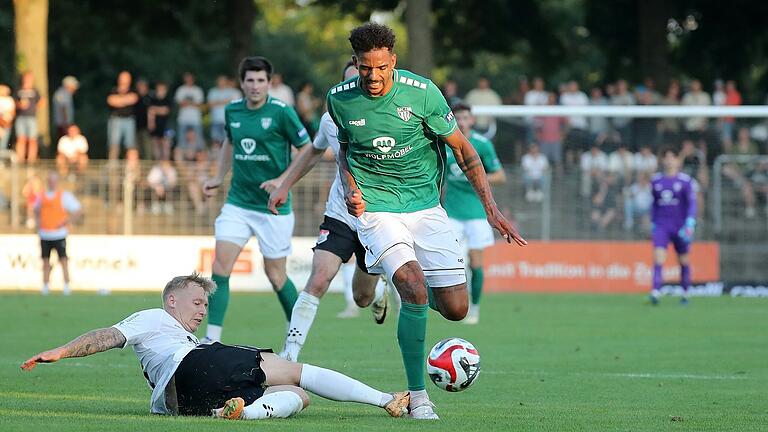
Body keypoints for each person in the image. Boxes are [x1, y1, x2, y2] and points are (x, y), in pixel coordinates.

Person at [326, 22, 526, 419]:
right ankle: (419, 399)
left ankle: (388, 279)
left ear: (393, 62)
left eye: (381, 68)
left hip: (426, 208)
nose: (374, 76)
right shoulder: (339, 100)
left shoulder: (423, 94)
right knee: (414, 289)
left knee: (456, 309)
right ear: (355, 63)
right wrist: (351, 186)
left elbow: (464, 150)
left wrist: (491, 208)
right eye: (366, 68)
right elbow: (344, 150)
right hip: (378, 210)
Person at [20, 273, 411, 420]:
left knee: (295, 395)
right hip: (189, 366)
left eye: (206, 306)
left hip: (183, 403)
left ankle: (239, 414)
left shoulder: (187, 335)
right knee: (291, 369)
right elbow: (107, 336)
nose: (201, 311)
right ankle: (385, 400)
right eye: (196, 302)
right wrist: (62, 351)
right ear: (171, 300)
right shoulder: (154, 317)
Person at [267, 61, 389, 362]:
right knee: (319, 279)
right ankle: (290, 354)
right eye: (347, 82)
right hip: (340, 213)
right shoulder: (331, 118)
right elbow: (314, 150)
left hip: (379, 218)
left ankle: (377, 293)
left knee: (362, 297)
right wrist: (284, 184)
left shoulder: (390, 118)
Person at [202, 56, 310, 343]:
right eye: (250, 80)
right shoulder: (233, 111)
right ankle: (211, 340)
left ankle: (296, 332)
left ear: (269, 83)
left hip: (273, 207)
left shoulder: (282, 112)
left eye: (261, 80)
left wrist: (282, 181)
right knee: (220, 268)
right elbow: (229, 142)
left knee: (276, 275)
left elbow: (307, 149)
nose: (255, 85)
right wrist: (218, 177)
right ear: (242, 83)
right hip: (237, 203)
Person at [442, 103, 507, 324]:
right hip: (451, 213)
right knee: (450, 263)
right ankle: (451, 306)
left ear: (471, 120)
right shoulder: (445, 143)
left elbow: (500, 175)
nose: (461, 122)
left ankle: (475, 308)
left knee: (476, 262)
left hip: (477, 214)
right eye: (457, 118)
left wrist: (477, 176)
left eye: (465, 118)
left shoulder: (482, 144)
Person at [649, 147, 698, 305]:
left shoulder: (685, 181)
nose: (669, 160)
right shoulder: (656, 181)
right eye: (667, 157)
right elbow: (654, 205)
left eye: (672, 157)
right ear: (663, 160)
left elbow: (691, 204)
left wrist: (690, 222)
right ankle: (655, 292)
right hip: (662, 225)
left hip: (680, 226)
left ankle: (685, 293)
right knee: (658, 257)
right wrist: (653, 223)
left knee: (683, 260)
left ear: (678, 160)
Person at [34, 171, 82, 295]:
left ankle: (66, 285)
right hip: (45, 233)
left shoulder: (64, 195)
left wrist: (68, 222)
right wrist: (38, 224)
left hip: (59, 234)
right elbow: (36, 210)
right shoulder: (41, 195)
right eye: (50, 180)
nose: (52, 183)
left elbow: (77, 209)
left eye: (54, 180)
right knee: (45, 261)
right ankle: (45, 285)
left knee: (63, 260)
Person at [106, 71, 139, 162]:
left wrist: (118, 100)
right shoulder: (113, 90)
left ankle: (130, 171)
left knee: (130, 146)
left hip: (129, 120)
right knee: (114, 144)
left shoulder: (133, 90)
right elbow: (110, 101)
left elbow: (133, 98)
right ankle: (113, 168)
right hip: (116, 120)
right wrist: (125, 100)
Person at [15, 71, 44, 163]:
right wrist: (20, 105)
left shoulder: (35, 90)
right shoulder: (19, 90)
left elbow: (42, 100)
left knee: (32, 140)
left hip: (31, 118)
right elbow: (14, 102)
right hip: (21, 117)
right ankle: (20, 159)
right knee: (21, 139)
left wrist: (36, 107)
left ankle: (31, 160)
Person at [207, 75, 242, 151]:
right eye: (220, 81)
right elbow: (210, 104)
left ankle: (226, 159)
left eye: (223, 81)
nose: (221, 83)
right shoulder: (213, 91)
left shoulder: (231, 91)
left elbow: (233, 104)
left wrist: (217, 102)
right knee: (215, 141)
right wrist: (224, 101)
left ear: (226, 82)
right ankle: (216, 159)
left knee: (227, 142)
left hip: (227, 121)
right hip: (215, 120)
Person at [174, 72, 205, 153]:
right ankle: (183, 161)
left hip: (196, 119)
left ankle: (197, 161)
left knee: (198, 142)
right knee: (182, 142)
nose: (188, 80)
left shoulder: (197, 90)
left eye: (190, 78)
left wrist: (187, 103)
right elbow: (180, 103)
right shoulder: (181, 89)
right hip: (183, 119)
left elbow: (199, 104)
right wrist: (192, 103)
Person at [148, 81, 172, 160]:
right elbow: (150, 112)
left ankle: (166, 163)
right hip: (155, 126)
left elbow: (165, 110)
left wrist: (154, 110)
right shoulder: (153, 100)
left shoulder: (168, 100)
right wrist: (151, 122)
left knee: (165, 146)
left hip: (166, 126)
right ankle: (158, 164)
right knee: (155, 145)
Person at [52, 75, 79, 140]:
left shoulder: (64, 93)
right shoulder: (63, 94)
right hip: (64, 124)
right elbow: (63, 109)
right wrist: (66, 124)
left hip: (63, 123)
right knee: (64, 141)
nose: (75, 88)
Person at [0, 84, 16, 150]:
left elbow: (13, 112)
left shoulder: (10, 99)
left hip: (7, 123)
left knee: (4, 142)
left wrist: (7, 122)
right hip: (1, 123)